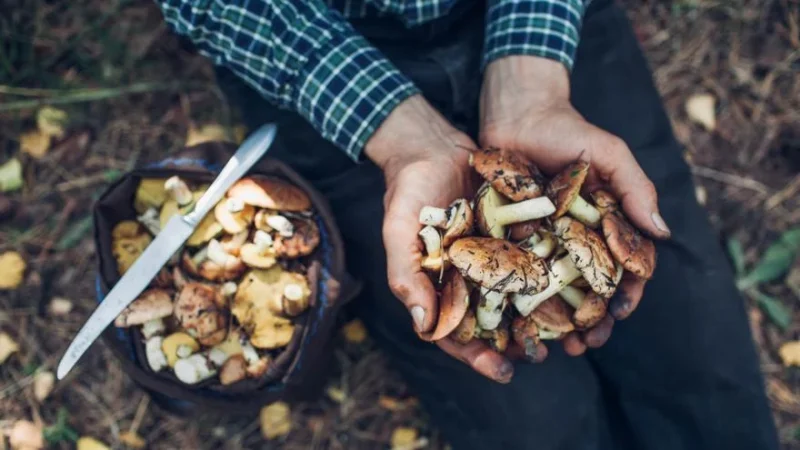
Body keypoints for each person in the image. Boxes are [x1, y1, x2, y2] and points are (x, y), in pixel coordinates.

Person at [153, 0, 780, 448]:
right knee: (534, 426)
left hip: (539, 24)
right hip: (316, 59)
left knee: (705, 369)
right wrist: (402, 136)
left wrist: (530, 77)